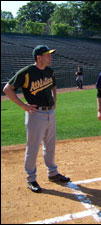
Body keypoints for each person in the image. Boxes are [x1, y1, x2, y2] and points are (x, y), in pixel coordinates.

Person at [3, 45, 70, 193]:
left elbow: (53, 86)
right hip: (35, 114)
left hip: (50, 112)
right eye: (47, 55)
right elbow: (7, 89)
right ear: (38, 57)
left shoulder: (49, 71)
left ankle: (53, 173)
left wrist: (55, 101)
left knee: (50, 145)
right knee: (33, 147)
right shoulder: (27, 72)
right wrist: (23, 105)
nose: (50, 57)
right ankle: (31, 178)